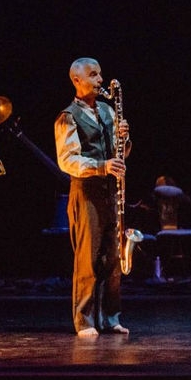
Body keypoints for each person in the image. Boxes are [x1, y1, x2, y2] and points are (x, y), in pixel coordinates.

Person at [54, 57, 130, 337]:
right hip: (86, 194)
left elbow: (119, 156)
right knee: (88, 259)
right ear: (77, 80)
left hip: (110, 192)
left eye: (100, 74)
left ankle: (110, 318)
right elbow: (67, 160)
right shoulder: (67, 116)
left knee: (112, 258)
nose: (100, 80)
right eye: (94, 75)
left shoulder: (109, 112)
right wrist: (101, 166)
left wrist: (124, 140)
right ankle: (84, 320)